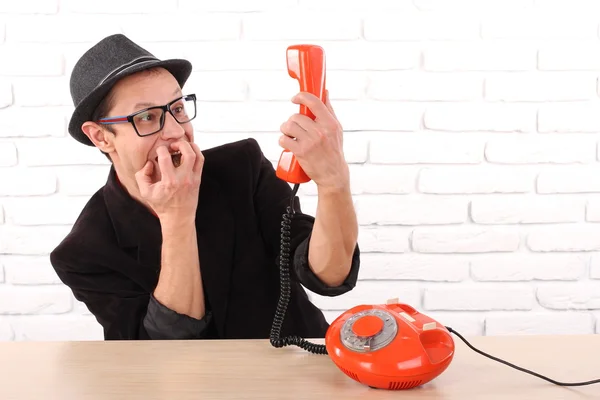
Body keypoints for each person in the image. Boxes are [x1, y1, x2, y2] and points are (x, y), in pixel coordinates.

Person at [50, 34, 360, 341]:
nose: (175, 131)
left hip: (293, 374)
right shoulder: (84, 253)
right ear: (101, 137)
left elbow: (328, 276)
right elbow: (164, 350)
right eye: (146, 117)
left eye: (178, 108)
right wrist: (177, 218)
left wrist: (333, 181)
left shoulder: (243, 168)